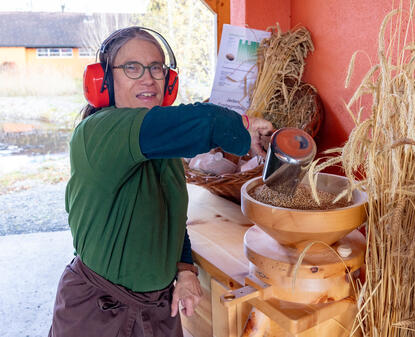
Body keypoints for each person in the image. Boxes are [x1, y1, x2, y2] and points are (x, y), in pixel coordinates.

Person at [49, 26, 273, 337]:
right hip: (99, 312)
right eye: (132, 67)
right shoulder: (98, 131)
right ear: (104, 80)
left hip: (157, 310)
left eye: (156, 67)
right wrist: (243, 126)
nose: (148, 78)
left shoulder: (162, 146)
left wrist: (184, 270)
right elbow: (205, 120)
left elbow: (170, 214)